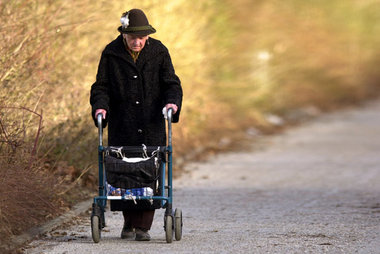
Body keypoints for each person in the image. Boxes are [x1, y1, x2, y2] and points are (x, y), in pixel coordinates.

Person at [90, 8, 183, 241]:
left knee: (148, 172)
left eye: (142, 37)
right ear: (124, 35)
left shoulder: (159, 51)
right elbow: (101, 86)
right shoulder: (111, 53)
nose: (138, 41)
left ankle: (142, 227)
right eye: (133, 37)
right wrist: (100, 107)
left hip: (151, 124)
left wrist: (172, 104)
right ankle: (129, 223)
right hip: (123, 123)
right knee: (124, 172)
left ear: (148, 36)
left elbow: (171, 83)